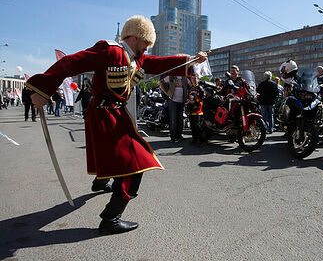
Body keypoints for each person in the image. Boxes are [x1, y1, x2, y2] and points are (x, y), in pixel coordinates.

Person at [27, 15, 207, 234]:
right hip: (104, 113)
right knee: (135, 163)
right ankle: (111, 218)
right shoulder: (109, 51)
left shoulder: (137, 59)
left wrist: (192, 59)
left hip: (112, 114)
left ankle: (101, 182)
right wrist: (43, 88)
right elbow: (70, 63)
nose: (148, 48)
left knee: (115, 155)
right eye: (146, 42)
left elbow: (162, 63)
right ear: (137, 37)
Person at [159, 74, 190, 142]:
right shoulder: (171, 76)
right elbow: (161, 83)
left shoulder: (184, 78)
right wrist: (167, 93)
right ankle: (173, 136)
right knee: (173, 119)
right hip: (173, 101)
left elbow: (191, 84)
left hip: (182, 101)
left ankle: (179, 135)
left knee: (180, 119)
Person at [186, 72, 204, 145]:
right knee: (192, 125)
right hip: (191, 109)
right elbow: (188, 98)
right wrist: (188, 103)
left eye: (195, 78)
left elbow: (203, 98)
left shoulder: (200, 88)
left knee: (197, 125)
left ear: (198, 79)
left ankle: (200, 140)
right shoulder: (190, 88)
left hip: (198, 110)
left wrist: (197, 103)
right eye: (192, 79)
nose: (193, 80)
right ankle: (194, 139)